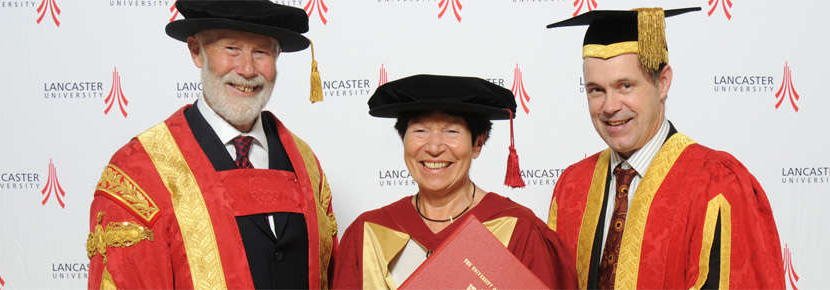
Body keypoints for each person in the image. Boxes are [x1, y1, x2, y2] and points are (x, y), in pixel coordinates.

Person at [84, 0, 337, 289]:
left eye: (262, 52)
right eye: (232, 49)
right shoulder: (141, 171)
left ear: (277, 57)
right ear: (196, 50)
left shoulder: (304, 161)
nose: (247, 69)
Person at [545, 7, 785, 290]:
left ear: (663, 83)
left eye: (625, 86)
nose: (610, 106)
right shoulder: (573, 187)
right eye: (596, 90)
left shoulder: (716, 185)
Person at [330, 75, 577, 289]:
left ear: (477, 143)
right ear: (403, 140)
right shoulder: (368, 233)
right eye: (420, 130)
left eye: (451, 131)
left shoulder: (518, 230)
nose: (434, 147)